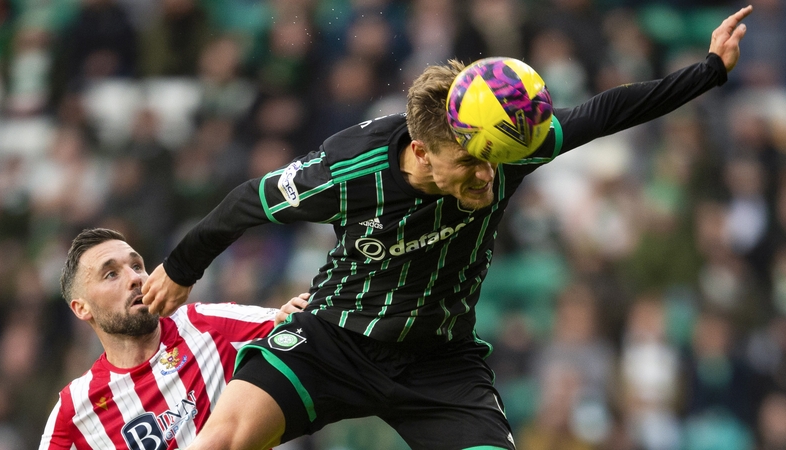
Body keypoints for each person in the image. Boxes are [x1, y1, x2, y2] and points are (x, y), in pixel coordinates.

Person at [141, 6, 754, 450]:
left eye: (492, 159)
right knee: (219, 441)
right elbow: (250, 200)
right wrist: (179, 267)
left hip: (440, 362)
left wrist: (708, 70)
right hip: (332, 340)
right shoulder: (347, 170)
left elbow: (604, 112)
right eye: (468, 162)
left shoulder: (510, 147)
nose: (487, 176)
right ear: (422, 151)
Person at [38, 228, 308, 450]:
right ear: (81, 308)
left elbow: (297, 324)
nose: (135, 278)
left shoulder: (205, 324)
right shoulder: (74, 410)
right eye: (111, 274)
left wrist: (292, 315)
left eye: (137, 266)